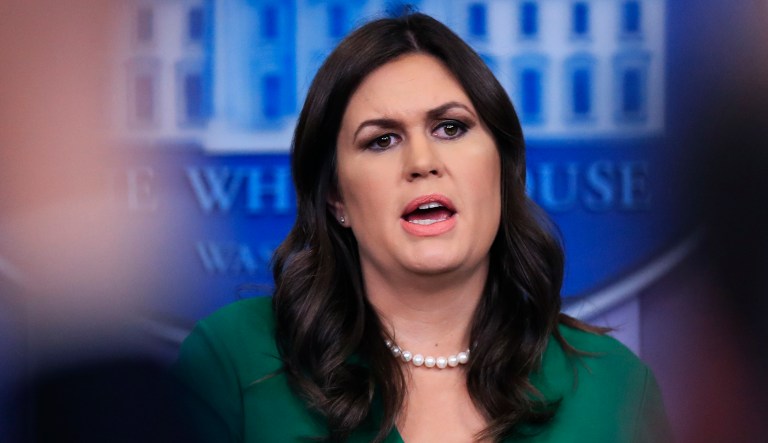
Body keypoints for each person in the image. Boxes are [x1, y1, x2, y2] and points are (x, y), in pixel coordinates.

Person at [174, 12, 670, 442]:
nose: (422, 161)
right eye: (382, 140)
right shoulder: (234, 363)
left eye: (450, 128)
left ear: (501, 166)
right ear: (336, 197)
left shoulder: (616, 389)